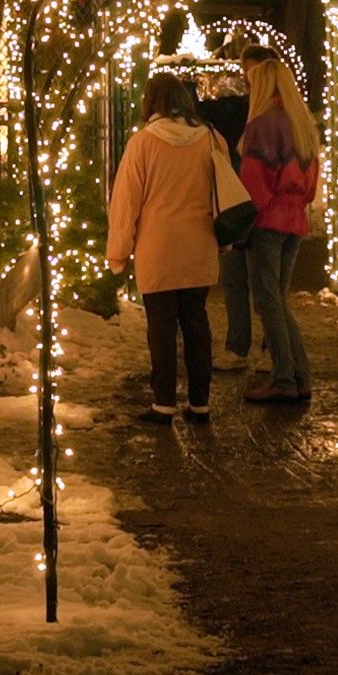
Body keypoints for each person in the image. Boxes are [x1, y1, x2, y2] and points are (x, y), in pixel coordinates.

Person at [106, 75, 224, 425]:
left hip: (157, 248)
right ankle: (200, 402)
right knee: (196, 323)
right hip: (200, 243)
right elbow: (224, 193)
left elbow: (126, 204)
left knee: (160, 326)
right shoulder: (211, 139)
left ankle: (164, 403)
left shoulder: (142, 144)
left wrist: (118, 252)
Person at [195, 43, 281, 373]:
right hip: (235, 203)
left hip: (264, 207)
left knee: (265, 284)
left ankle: (268, 347)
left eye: (254, 72)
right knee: (233, 277)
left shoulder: (274, 115)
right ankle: (238, 345)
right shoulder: (239, 108)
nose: (247, 78)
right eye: (245, 71)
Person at [239, 58, 321, 403]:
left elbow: (254, 181)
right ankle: (299, 375)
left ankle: (285, 378)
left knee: (267, 301)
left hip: (268, 220)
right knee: (279, 301)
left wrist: (241, 222)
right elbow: (311, 183)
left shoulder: (262, 126)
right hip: (295, 220)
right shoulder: (303, 125)